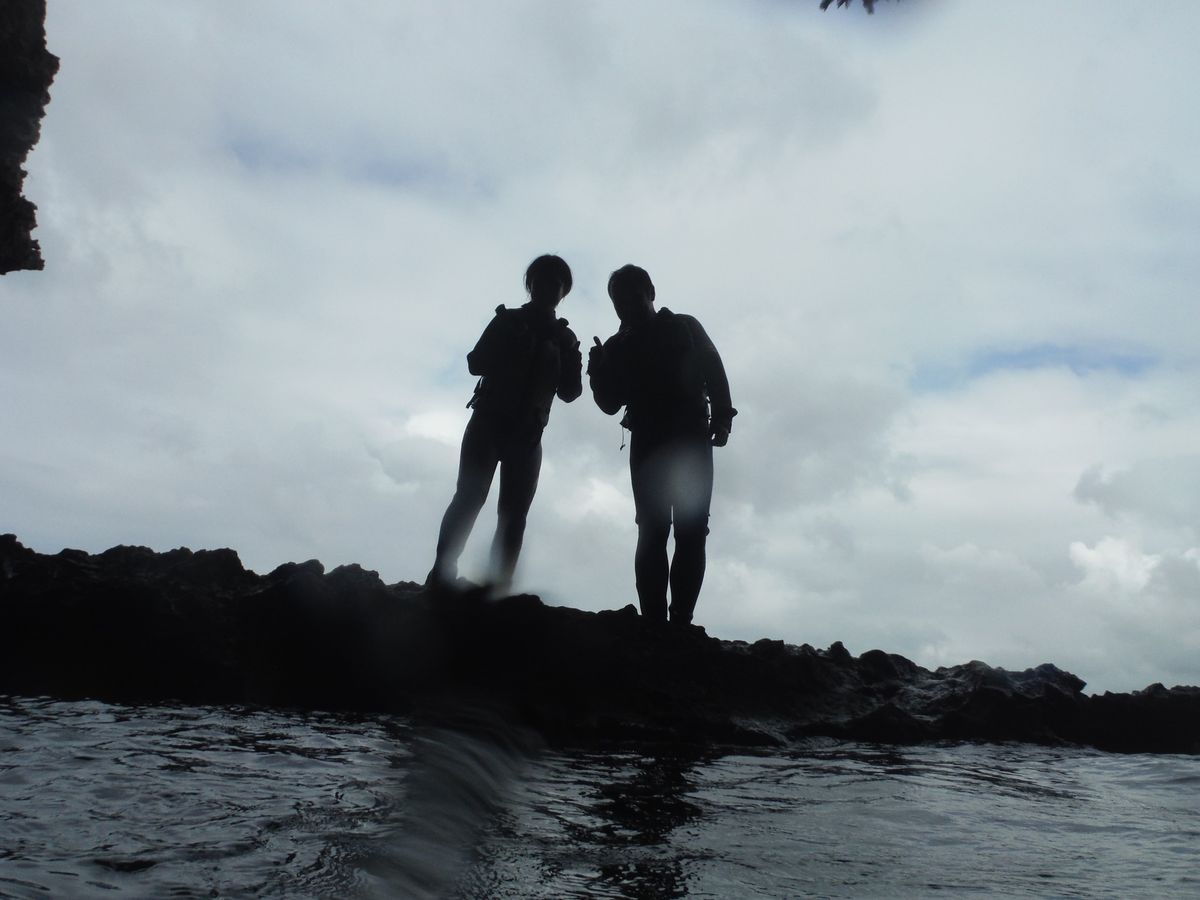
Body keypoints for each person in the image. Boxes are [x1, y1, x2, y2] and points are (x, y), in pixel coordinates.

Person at [588, 264, 736, 629]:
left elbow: (713, 368)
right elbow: (609, 403)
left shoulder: (685, 326)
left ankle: (680, 621)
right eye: (619, 302)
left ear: (651, 292)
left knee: (691, 531)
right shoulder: (616, 347)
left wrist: (722, 417)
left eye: (634, 298)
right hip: (649, 440)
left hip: (690, 437)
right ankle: (654, 623)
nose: (627, 307)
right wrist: (597, 372)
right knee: (653, 531)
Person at [428, 254, 582, 592]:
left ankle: (498, 585)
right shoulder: (508, 321)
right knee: (471, 497)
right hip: (490, 422)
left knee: (512, 513)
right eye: (542, 280)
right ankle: (442, 571)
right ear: (531, 284)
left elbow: (571, 392)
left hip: (528, 432)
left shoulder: (565, 339)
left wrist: (573, 358)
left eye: (556, 283)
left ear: (563, 291)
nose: (548, 287)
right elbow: (475, 363)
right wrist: (511, 346)